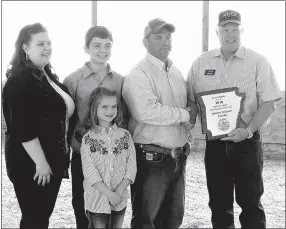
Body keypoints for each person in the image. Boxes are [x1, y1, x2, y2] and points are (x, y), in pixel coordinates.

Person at [186, 9, 281, 228]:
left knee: (251, 205)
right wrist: (186, 130)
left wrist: (247, 131)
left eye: (235, 29)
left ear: (242, 30)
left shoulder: (258, 61)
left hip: (247, 141)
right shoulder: (201, 63)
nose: (231, 34)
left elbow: (270, 103)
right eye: (225, 29)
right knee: (219, 205)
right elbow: (191, 101)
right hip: (215, 145)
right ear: (217, 32)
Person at [122, 18, 197, 229]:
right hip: (150, 159)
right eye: (158, 38)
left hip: (177, 157)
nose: (165, 42)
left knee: (173, 219)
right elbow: (146, 112)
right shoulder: (139, 73)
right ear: (145, 42)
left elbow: (186, 108)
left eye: (168, 38)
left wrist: (187, 134)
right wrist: (185, 116)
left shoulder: (175, 71)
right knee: (146, 221)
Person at [2, 23, 76, 229]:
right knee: (35, 219)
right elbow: (21, 126)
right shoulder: (20, 79)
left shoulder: (45, 75)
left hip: (50, 161)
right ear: (25, 48)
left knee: (40, 218)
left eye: (49, 43)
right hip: (32, 165)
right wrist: (41, 163)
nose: (47, 48)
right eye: (40, 43)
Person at [63, 25, 129, 229]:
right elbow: (66, 119)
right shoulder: (73, 80)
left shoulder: (120, 80)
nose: (103, 50)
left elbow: (124, 116)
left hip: (112, 155)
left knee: (112, 203)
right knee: (83, 202)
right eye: (97, 45)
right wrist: (72, 146)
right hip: (83, 153)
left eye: (107, 45)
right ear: (86, 48)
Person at [80, 87, 136, 229]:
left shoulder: (125, 136)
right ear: (94, 108)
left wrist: (117, 193)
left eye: (113, 107)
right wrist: (109, 194)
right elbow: (90, 172)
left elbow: (131, 168)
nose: (110, 111)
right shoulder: (88, 138)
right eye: (104, 107)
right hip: (96, 201)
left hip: (119, 199)